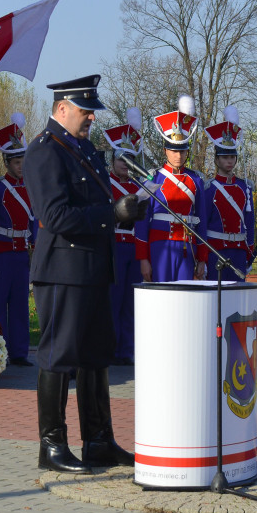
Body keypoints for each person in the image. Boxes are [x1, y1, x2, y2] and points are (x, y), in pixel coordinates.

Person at [25, 74, 146, 473]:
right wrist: (112, 214)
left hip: (94, 268)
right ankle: (51, 445)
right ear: (62, 109)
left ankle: (98, 440)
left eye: (92, 111)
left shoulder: (87, 151)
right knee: (59, 355)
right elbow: (55, 215)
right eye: (85, 110)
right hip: (64, 268)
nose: (91, 118)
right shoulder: (45, 152)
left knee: (96, 357)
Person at [0, 113, 38, 367]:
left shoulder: (31, 189)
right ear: (7, 162)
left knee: (19, 305)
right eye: (16, 162)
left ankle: (19, 352)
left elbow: (34, 222)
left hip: (20, 254)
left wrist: (36, 252)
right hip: (2, 254)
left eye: (23, 161)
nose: (20, 166)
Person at [136, 95, 208, 282]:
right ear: (165, 150)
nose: (178, 155)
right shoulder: (153, 179)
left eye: (182, 151)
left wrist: (202, 259)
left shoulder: (196, 180)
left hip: (187, 247)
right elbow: (142, 222)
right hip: (160, 247)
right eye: (174, 150)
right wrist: (143, 258)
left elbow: (203, 223)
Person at [104, 109, 144, 366]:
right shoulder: (104, 182)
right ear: (113, 160)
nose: (125, 165)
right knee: (112, 299)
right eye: (121, 159)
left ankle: (126, 350)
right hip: (113, 245)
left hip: (132, 246)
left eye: (130, 159)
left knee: (130, 302)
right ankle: (110, 348)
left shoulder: (139, 187)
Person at [201, 106, 254, 282]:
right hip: (216, 250)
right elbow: (203, 224)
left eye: (232, 157)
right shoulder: (209, 188)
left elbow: (249, 222)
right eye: (224, 157)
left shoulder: (244, 187)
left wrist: (249, 251)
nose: (229, 161)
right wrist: (203, 256)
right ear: (216, 159)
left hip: (239, 250)